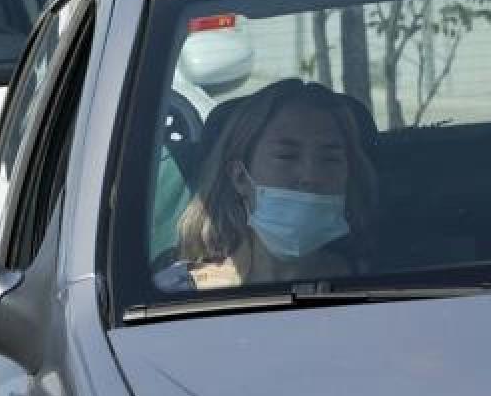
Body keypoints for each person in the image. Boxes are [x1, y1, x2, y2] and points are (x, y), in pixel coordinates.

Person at [162, 78, 378, 290]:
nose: (311, 176)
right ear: (239, 177)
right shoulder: (177, 294)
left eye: (330, 159)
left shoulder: (383, 288)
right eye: (287, 156)